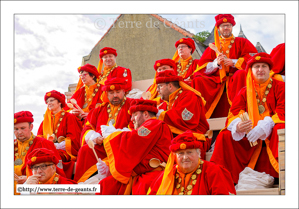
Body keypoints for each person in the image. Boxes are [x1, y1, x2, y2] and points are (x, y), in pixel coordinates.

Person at [210, 52, 285, 184]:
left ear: (270, 70)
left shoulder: (281, 87)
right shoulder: (244, 91)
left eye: (263, 66)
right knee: (224, 136)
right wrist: (238, 125)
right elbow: (234, 112)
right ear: (251, 70)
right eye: (256, 66)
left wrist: (265, 126)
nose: (260, 69)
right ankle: (226, 179)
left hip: (271, 132)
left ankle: (282, 175)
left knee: (281, 128)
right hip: (249, 134)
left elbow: (284, 111)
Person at [96, 99, 173, 195]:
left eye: (135, 115)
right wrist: (107, 166)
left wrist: (113, 135)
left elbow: (134, 139)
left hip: (152, 172)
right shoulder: (151, 125)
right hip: (142, 173)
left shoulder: (154, 124)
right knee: (105, 185)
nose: (131, 119)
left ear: (145, 114)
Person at [191, 14, 258, 119]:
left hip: (235, 77)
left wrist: (235, 62)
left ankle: (241, 113)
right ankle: (201, 118)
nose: (226, 28)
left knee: (241, 74)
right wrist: (216, 64)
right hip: (216, 80)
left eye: (228, 25)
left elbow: (253, 59)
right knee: (198, 79)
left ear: (232, 27)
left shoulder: (242, 42)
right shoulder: (212, 47)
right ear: (218, 28)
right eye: (223, 26)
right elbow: (201, 68)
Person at [73, 76, 133, 183]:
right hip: (101, 147)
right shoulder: (98, 110)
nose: (115, 95)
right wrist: (94, 137)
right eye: (111, 93)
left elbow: (136, 127)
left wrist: (115, 135)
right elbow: (87, 127)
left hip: (121, 145)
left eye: (118, 92)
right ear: (106, 94)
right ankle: (83, 185)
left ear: (124, 91)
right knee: (85, 150)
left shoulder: (132, 105)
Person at [147, 130, 236, 195]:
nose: (185, 157)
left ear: (198, 154)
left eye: (189, 152)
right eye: (181, 153)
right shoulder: (167, 174)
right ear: (175, 157)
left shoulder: (213, 171)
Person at [155, 70, 210, 159]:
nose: (157, 90)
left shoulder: (189, 96)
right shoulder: (165, 104)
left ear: (170, 86)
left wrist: (160, 115)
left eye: (160, 86)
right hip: (175, 139)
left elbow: (187, 119)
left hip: (192, 139)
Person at [14, 111, 63, 194]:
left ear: (31, 127)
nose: (19, 132)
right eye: (16, 129)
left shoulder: (45, 143)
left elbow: (57, 169)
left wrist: (30, 179)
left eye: (23, 128)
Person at [37, 90, 82, 178]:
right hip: (47, 150)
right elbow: (39, 138)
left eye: (52, 100)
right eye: (47, 101)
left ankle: (58, 179)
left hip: (65, 152)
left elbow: (75, 139)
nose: (49, 103)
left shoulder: (69, 117)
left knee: (52, 155)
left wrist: (57, 146)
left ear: (60, 102)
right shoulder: (44, 122)